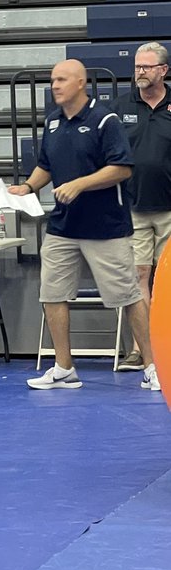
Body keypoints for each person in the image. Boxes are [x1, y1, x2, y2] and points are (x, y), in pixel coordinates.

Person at [10, 59, 160, 392]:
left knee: (128, 295)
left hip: (105, 226)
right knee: (52, 293)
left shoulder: (105, 120)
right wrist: (28, 187)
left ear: (80, 83)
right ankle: (64, 368)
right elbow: (45, 166)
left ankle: (153, 366)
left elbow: (121, 168)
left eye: (61, 79)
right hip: (63, 226)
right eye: (52, 80)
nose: (55, 85)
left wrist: (80, 184)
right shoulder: (51, 124)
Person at [108, 43, 171, 372]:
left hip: (170, 208)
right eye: (137, 67)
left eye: (146, 67)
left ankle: (168, 345)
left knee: (168, 281)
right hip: (133, 207)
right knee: (139, 277)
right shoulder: (120, 108)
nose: (140, 72)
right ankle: (142, 349)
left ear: (163, 70)